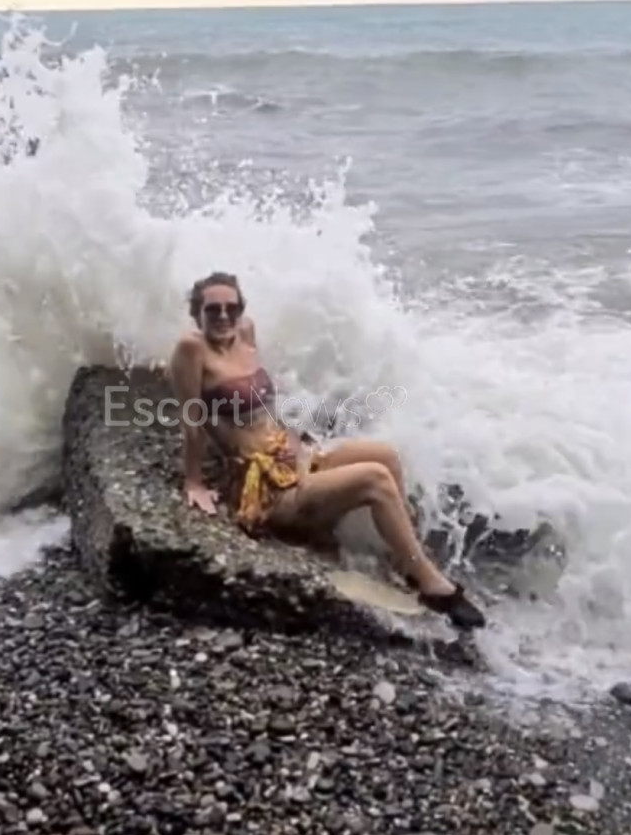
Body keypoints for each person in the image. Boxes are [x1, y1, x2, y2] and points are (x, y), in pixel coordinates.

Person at [167, 270, 486, 630]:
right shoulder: (190, 350)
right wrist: (194, 481)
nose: (224, 316)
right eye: (212, 309)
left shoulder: (246, 331)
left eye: (232, 307)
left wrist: (295, 441)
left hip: (292, 458)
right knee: (375, 478)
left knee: (385, 455)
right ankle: (432, 587)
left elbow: (261, 407)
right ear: (197, 313)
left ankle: (406, 559)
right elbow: (192, 421)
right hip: (268, 489)